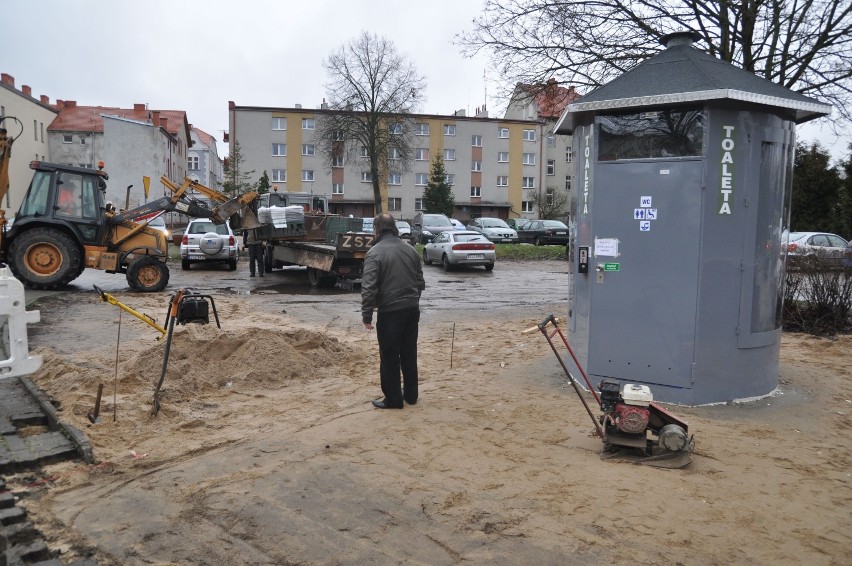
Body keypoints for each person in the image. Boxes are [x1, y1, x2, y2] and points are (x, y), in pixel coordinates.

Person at [361, 212, 425, 409]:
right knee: (409, 352)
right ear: (395, 228)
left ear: (377, 230)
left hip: (390, 312)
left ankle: (394, 399)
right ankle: (411, 395)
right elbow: (420, 282)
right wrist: (413, 301)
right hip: (411, 309)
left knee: (389, 356)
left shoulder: (374, 253)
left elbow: (369, 287)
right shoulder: (410, 250)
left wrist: (367, 315)